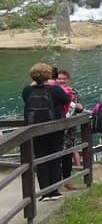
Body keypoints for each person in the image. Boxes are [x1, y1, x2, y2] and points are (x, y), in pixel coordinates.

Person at [22, 62, 71, 200]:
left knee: (41, 159)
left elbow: (26, 100)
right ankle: (54, 191)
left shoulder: (27, 90)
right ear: (49, 75)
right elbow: (66, 99)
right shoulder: (53, 89)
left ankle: (44, 192)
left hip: (36, 129)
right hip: (54, 129)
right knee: (54, 158)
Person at [56, 69, 85, 186]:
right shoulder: (52, 91)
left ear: (68, 79)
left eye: (64, 78)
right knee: (56, 154)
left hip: (70, 128)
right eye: (59, 78)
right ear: (56, 79)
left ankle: (67, 180)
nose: (62, 80)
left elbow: (79, 107)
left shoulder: (74, 92)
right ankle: (56, 181)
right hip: (56, 128)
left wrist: (80, 108)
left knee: (68, 154)